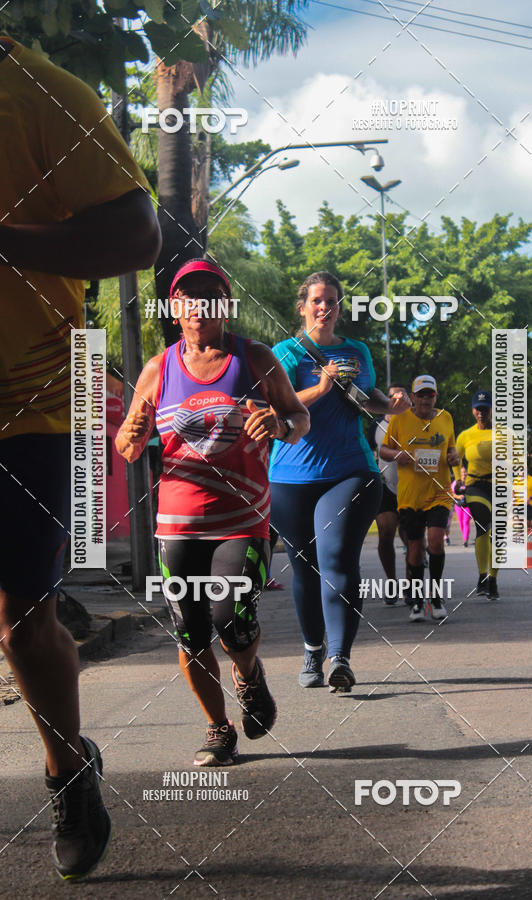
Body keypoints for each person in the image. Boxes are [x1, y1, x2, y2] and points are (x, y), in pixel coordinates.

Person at [0, 36, 161, 880]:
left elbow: (137, 233)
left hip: (26, 400)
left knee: (25, 618)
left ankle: (68, 773)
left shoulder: (42, 94)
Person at [116, 260, 309, 761]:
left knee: (231, 618)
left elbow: (298, 416)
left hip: (243, 520)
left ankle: (250, 677)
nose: (199, 302)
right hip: (176, 524)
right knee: (190, 631)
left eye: (210, 293)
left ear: (225, 305)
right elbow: (127, 445)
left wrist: (279, 425)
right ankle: (218, 729)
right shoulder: (159, 368)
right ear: (175, 309)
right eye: (188, 295)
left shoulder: (256, 358)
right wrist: (131, 438)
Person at [269, 271, 409, 692]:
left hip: (351, 469)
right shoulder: (286, 353)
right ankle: (312, 649)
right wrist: (323, 386)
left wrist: (392, 404)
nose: (324, 307)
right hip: (292, 474)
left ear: (339, 307)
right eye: (316, 300)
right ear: (303, 306)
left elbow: (369, 400)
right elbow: (277, 408)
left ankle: (340, 658)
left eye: (331, 300)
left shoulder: (358, 350)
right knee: (305, 568)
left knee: (337, 558)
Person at [380, 375, 459, 622]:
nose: (425, 399)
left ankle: (435, 598)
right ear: (413, 398)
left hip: (439, 492)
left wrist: (454, 457)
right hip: (410, 495)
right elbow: (383, 449)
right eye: (421, 395)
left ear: (436, 396)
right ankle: (416, 601)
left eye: (430, 395)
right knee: (415, 548)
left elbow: (451, 449)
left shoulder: (445, 418)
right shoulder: (400, 419)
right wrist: (397, 455)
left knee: (436, 541)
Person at [367, 383, 411, 603]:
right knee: (385, 531)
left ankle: (411, 584)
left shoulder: (414, 424)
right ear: (386, 399)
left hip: (411, 487)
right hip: (384, 486)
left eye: (402, 396)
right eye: (393, 396)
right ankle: (391, 582)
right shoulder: (375, 425)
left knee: (410, 536)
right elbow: (366, 453)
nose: (397, 399)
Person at [455, 390, 499, 600]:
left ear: (491, 410)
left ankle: (492, 579)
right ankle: (482, 575)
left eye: (485, 409)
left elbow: (518, 463)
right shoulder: (465, 435)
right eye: (478, 409)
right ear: (473, 411)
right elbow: (455, 458)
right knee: (483, 523)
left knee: (499, 534)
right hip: (475, 486)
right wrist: (458, 481)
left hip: (499, 486)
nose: (481, 413)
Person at [452, 466, 472, 547]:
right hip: (458, 505)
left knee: (466, 521)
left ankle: (465, 540)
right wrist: (458, 497)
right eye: (462, 472)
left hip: (468, 506)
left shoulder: (470, 482)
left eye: (465, 472)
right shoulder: (456, 483)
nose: (463, 474)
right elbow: (451, 493)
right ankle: (465, 536)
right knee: (461, 524)